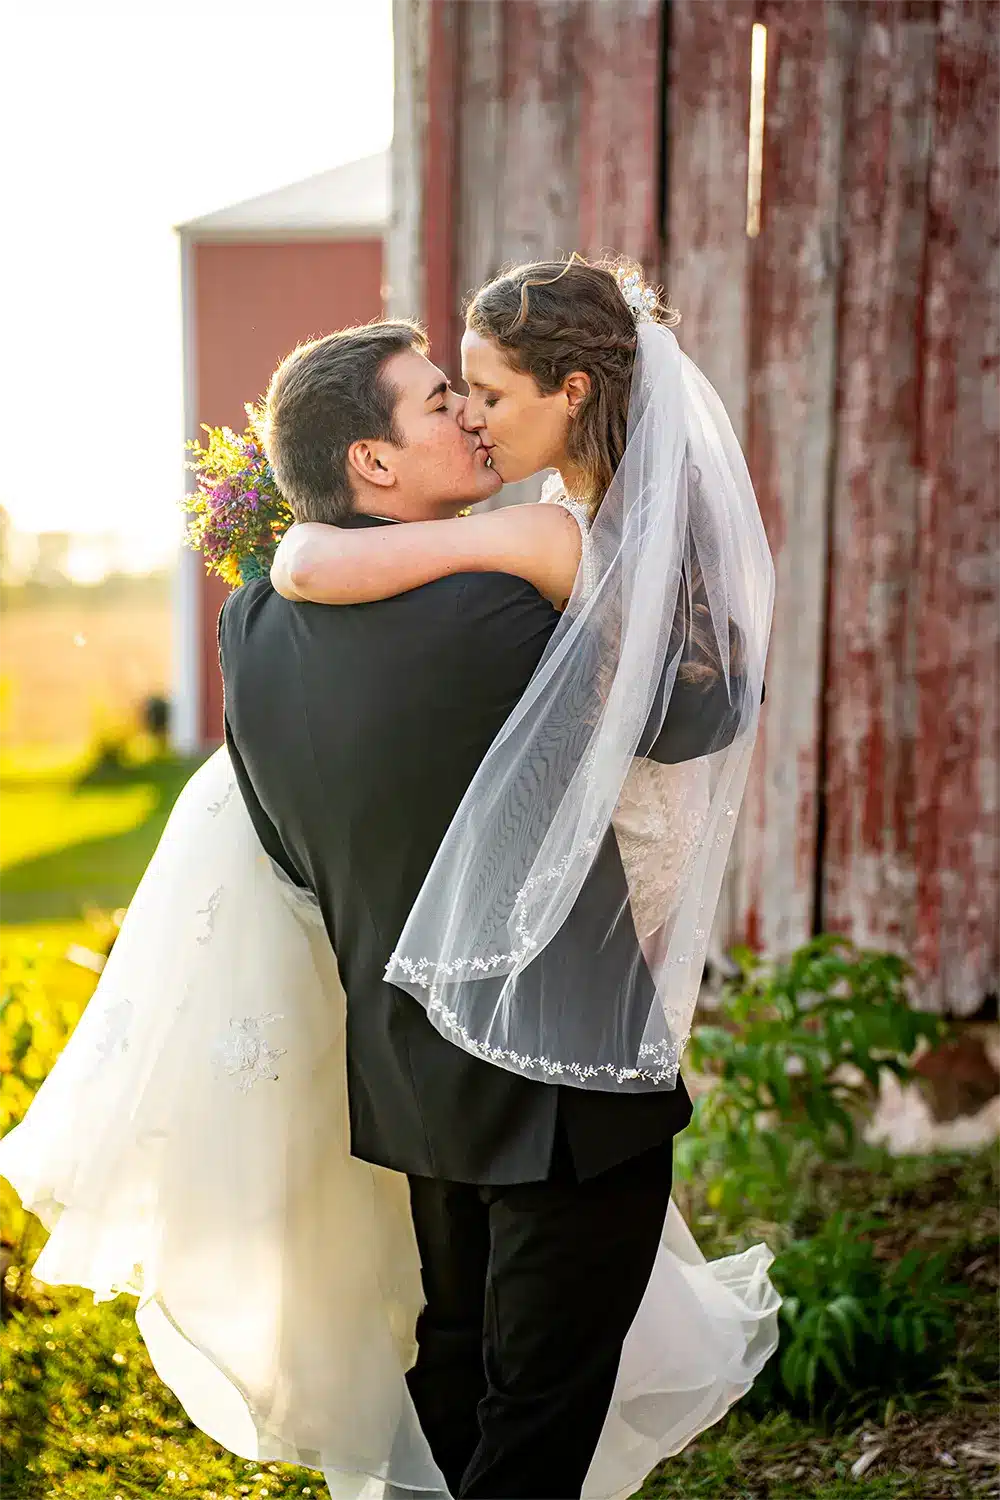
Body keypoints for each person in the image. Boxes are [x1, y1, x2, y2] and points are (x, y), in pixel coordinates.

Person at [0, 258, 778, 1500]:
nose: (468, 417)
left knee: (456, 1377)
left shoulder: (248, 629)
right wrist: (562, 551)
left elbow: (286, 846)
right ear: (372, 463)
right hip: (567, 1094)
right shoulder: (512, 612)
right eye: (437, 402)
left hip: (410, 1083)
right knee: (535, 1422)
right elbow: (690, 721)